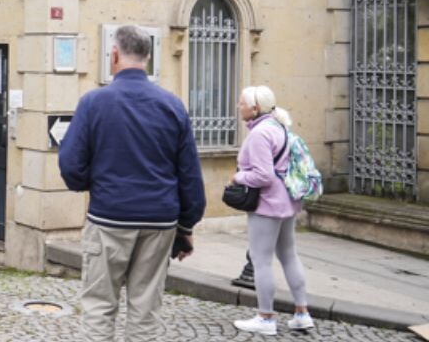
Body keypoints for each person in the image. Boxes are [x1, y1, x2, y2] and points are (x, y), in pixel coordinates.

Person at [58, 24, 206, 342]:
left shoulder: (94, 103)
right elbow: (190, 174)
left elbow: (70, 165)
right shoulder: (172, 105)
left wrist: (95, 183)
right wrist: (186, 226)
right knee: (145, 311)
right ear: (148, 58)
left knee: (99, 307)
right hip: (160, 220)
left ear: (114, 55)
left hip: (109, 216)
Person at [231, 85, 313, 336]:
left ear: (255, 108)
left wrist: (238, 177)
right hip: (286, 201)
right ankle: (302, 313)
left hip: (267, 205)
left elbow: (263, 176)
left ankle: (265, 317)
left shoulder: (259, 134)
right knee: (289, 255)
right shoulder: (279, 127)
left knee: (261, 260)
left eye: (242, 103)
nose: (239, 106)